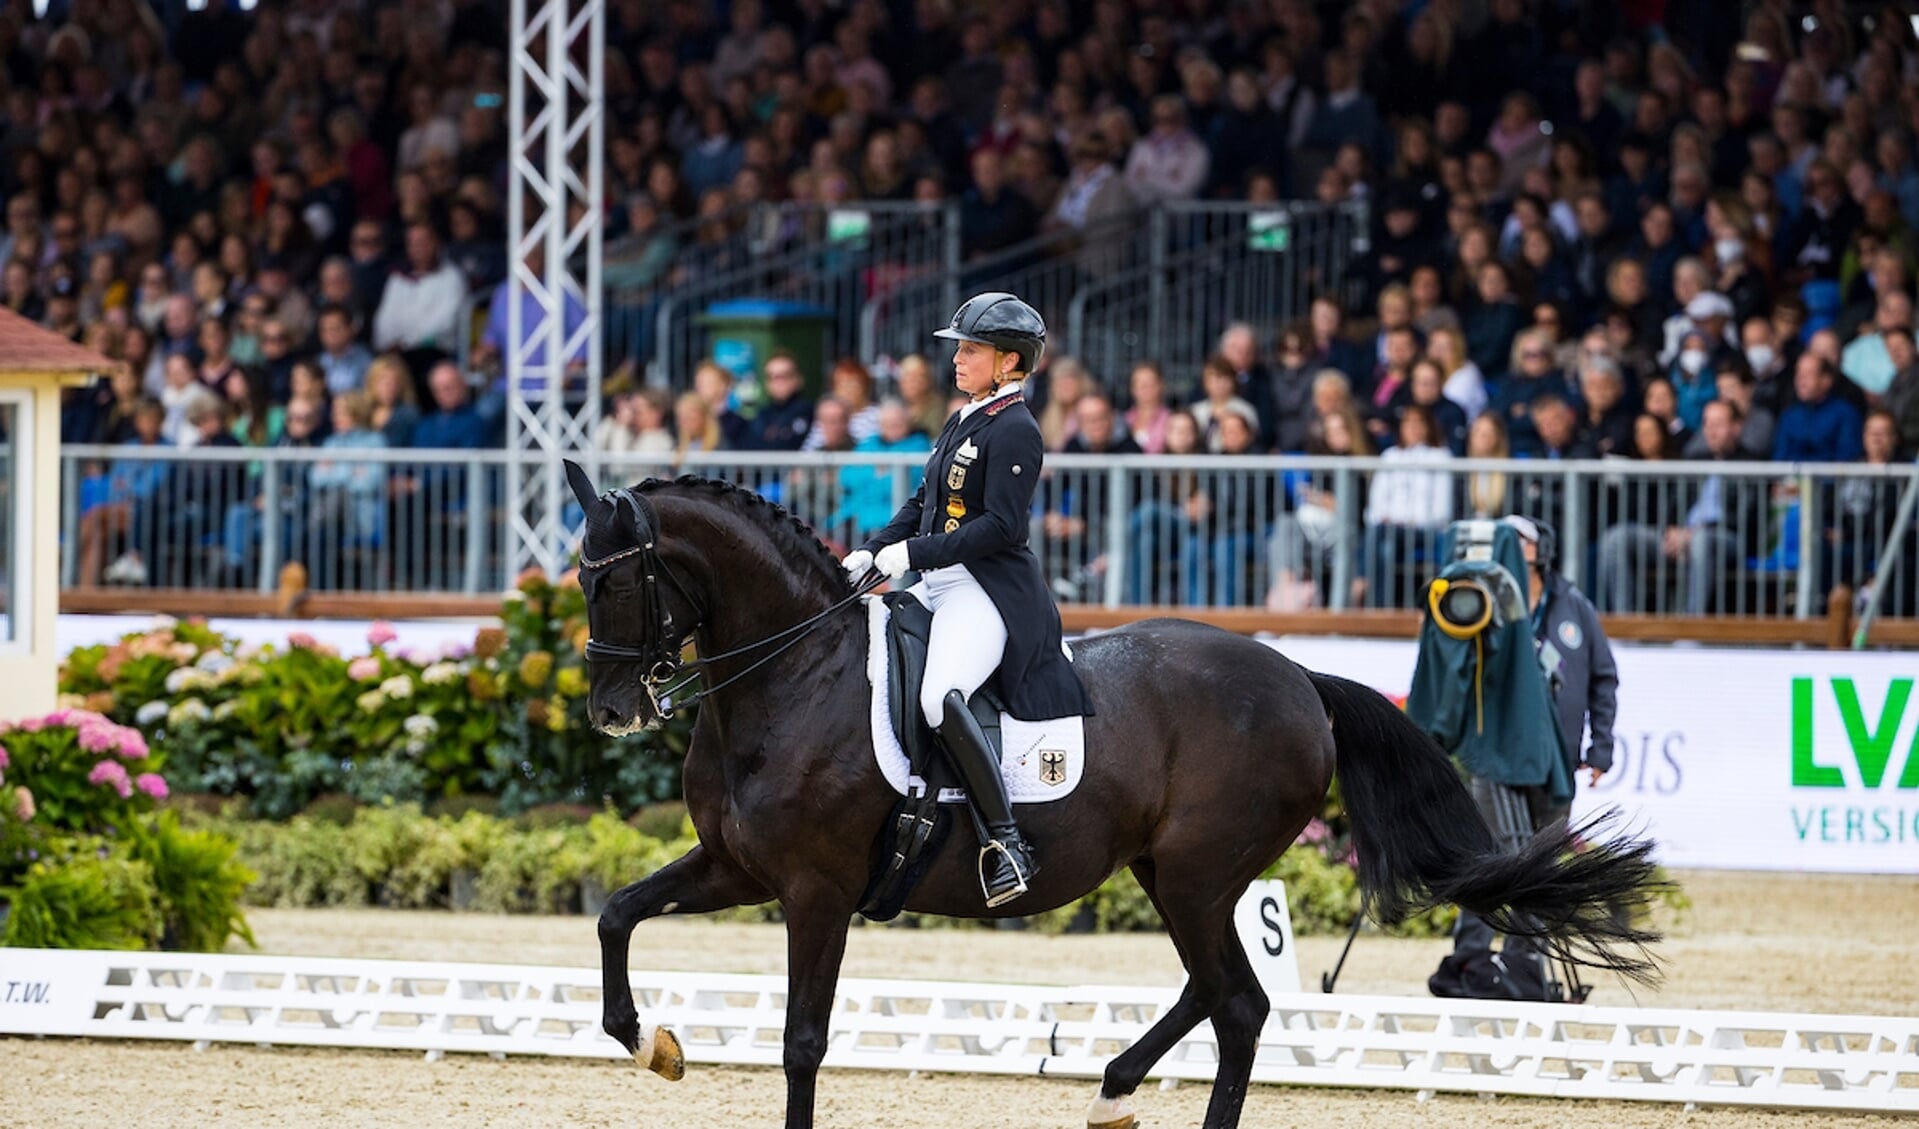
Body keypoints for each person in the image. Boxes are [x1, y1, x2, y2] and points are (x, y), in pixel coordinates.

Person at [842, 292, 1093, 908]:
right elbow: (922, 503)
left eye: (972, 349)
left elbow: (1002, 528)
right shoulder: (966, 416)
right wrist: (873, 549)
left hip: (985, 591)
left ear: (1009, 362)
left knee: (937, 696)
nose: (958, 359)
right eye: (960, 347)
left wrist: (915, 556)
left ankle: (1005, 841)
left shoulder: (1015, 429)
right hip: (938, 578)